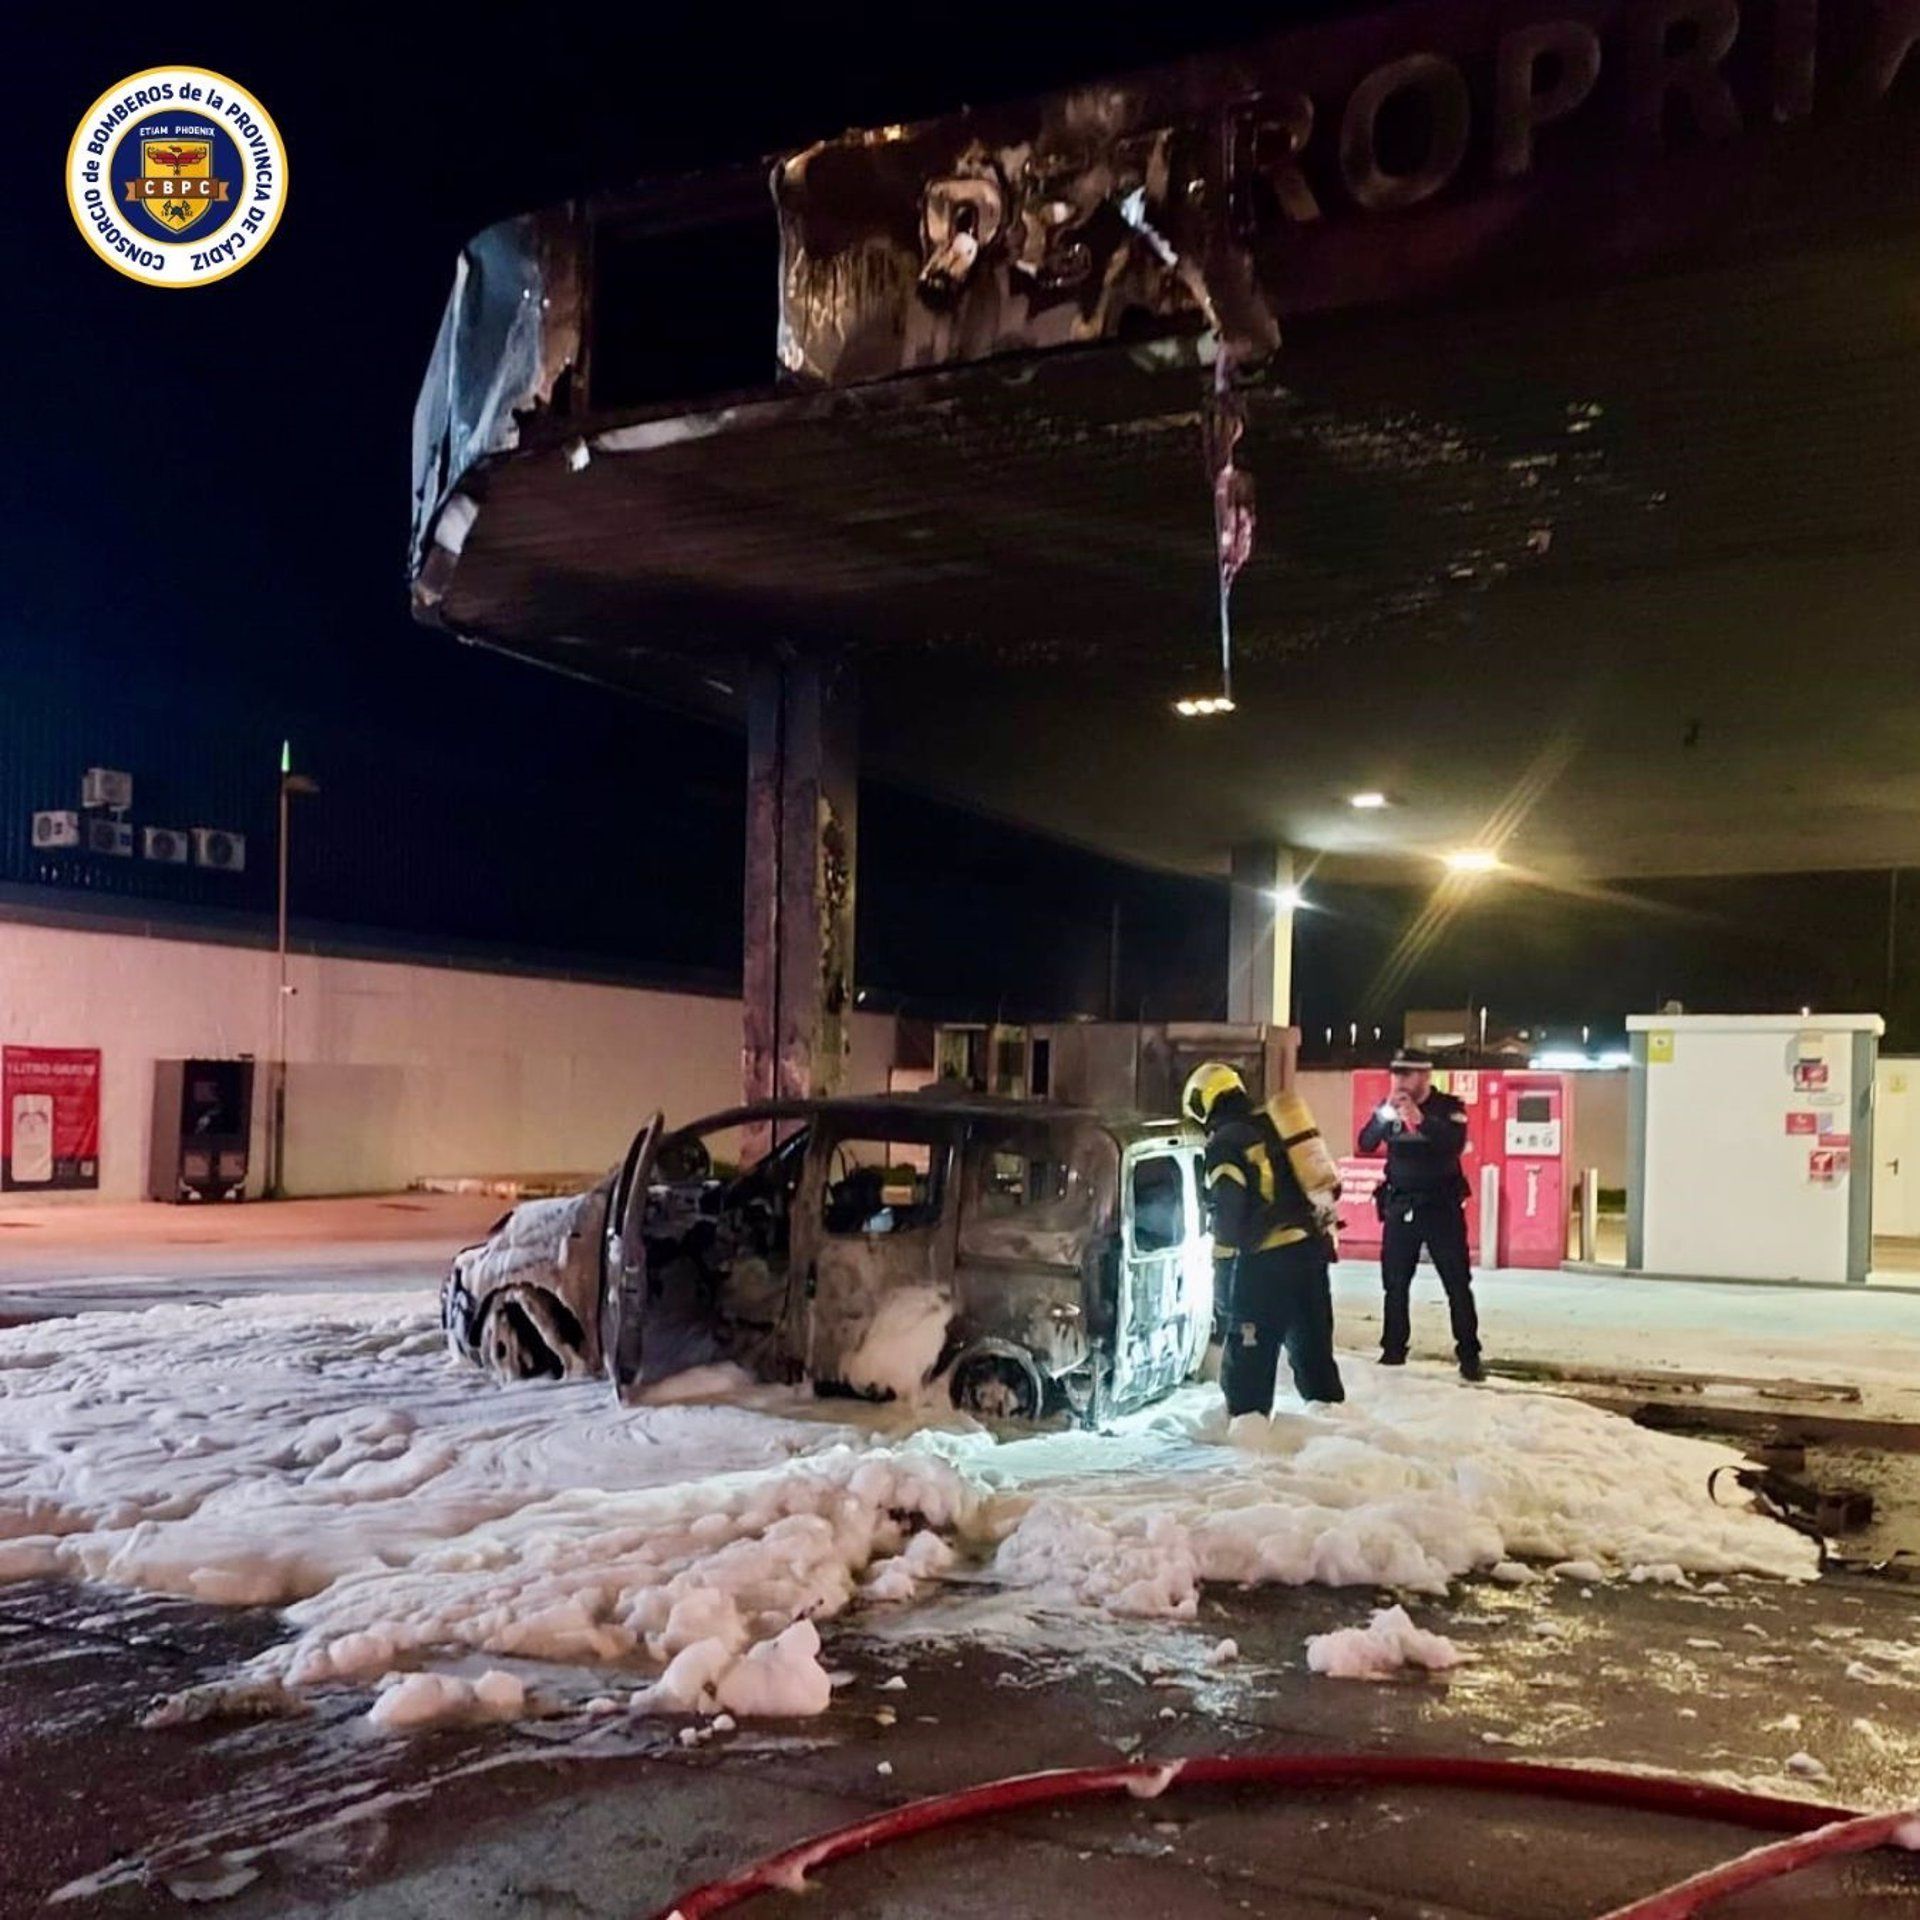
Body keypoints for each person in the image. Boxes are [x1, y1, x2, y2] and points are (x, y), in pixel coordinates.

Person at [1182, 1061, 1345, 1415]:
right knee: (1313, 1351)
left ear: (1204, 1102)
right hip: (1311, 1250)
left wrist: (1224, 1271)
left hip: (1267, 1263)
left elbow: (1228, 1219)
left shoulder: (1226, 1143)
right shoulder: (1274, 1125)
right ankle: (1333, 1431)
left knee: (1250, 1357)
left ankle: (1248, 1434)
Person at [1357, 1048, 1484, 1381]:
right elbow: (1366, 1142)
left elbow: (1452, 1144)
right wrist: (1386, 1113)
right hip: (1401, 1205)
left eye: (1406, 1075)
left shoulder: (1448, 1107)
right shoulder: (1390, 1109)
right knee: (1395, 1283)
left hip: (1440, 1206)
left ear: (1424, 1076)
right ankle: (1393, 1350)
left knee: (1456, 1283)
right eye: (1395, 1074)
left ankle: (1469, 1356)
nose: (1398, 1081)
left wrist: (1420, 1118)